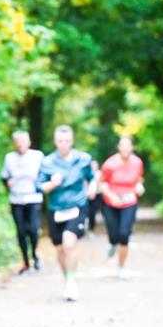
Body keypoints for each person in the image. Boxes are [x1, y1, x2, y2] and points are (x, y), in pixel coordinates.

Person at [37, 125, 96, 301]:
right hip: (56, 209)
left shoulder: (83, 159)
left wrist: (92, 188)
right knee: (60, 248)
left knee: (69, 241)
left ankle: (71, 282)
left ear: (72, 141)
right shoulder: (47, 162)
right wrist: (52, 183)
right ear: (55, 141)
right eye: (60, 141)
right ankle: (67, 280)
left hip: (77, 206)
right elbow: (41, 187)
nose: (63, 144)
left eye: (67, 141)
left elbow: (92, 178)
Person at [100, 135, 145, 279]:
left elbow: (139, 179)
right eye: (122, 145)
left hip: (129, 202)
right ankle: (113, 244)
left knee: (124, 234)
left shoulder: (137, 162)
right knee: (114, 236)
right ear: (118, 147)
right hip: (111, 202)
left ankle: (121, 268)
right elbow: (101, 183)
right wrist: (112, 196)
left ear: (132, 147)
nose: (125, 148)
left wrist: (139, 186)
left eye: (128, 145)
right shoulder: (110, 164)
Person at [0, 130, 44, 274]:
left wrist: (38, 179)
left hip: (33, 198)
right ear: (14, 144)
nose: (20, 145)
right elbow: (4, 177)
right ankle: (25, 261)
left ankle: (35, 255)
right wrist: (8, 182)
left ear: (29, 142)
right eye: (17, 142)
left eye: (23, 141)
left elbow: (46, 174)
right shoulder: (9, 158)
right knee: (21, 231)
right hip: (16, 199)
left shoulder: (37, 156)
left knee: (33, 229)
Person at [87, 159, 102, 234]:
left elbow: (101, 185)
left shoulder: (100, 174)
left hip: (97, 195)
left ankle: (91, 228)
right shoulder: (87, 173)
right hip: (87, 195)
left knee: (92, 212)